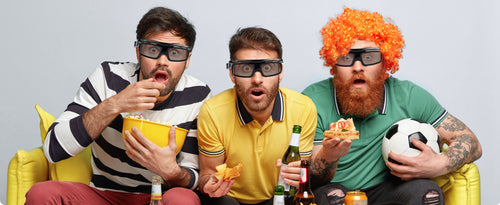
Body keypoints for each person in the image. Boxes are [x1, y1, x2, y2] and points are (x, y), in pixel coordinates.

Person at [25, 7, 211, 205]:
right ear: (139, 53)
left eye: (175, 52)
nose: (162, 61)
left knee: (181, 199)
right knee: (42, 193)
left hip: (159, 197)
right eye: (153, 50)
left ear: (187, 60)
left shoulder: (198, 95)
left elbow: (194, 177)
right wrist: (115, 104)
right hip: (104, 194)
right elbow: (54, 149)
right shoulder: (108, 78)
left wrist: (171, 171)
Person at [302, 8, 482, 205]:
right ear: (333, 62)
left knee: (427, 193)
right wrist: (329, 155)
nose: (358, 67)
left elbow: (471, 141)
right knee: (332, 197)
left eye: (369, 57)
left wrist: (439, 164)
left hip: (388, 190)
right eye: (346, 57)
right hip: (335, 190)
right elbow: (312, 179)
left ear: (385, 62)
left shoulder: (410, 96)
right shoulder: (312, 100)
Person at [196, 27, 317, 204]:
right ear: (232, 73)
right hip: (230, 199)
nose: (257, 79)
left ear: (280, 72)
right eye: (246, 68)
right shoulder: (213, 112)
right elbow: (207, 173)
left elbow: (298, 171)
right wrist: (209, 184)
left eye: (267, 67)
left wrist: (297, 175)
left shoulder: (303, 109)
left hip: (278, 197)